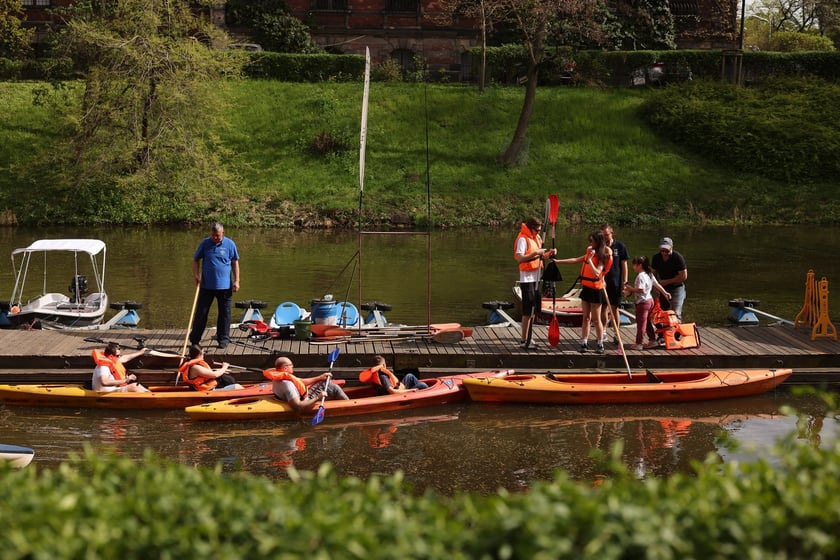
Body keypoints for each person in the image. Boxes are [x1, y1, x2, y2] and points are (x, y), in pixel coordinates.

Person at [553, 230, 613, 354]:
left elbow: (597, 272)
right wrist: (559, 262)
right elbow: (575, 260)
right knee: (586, 317)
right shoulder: (589, 252)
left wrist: (590, 260)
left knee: (596, 319)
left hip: (596, 290)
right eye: (590, 241)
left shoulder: (602, 256)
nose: (590, 243)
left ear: (598, 241)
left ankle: (600, 343)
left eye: (592, 241)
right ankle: (584, 342)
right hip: (587, 289)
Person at [190, 221, 240, 349]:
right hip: (206, 286)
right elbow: (196, 260)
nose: (215, 238)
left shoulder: (230, 244)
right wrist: (196, 275)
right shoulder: (205, 243)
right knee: (201, 313)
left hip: (225, 287)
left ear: (222, 233)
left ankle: (223, 339)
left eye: (217, 235)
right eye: (213, 235)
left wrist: (237, 280)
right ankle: (195, 339)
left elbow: (235, 262)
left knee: (225, 313)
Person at [514, 217, 555, 349]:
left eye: (539, 230)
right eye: (536, 230)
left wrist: (548, 254)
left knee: (534, 311)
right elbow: (520, 258)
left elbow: (540, 257)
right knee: (527, 311)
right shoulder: (522, 239)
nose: (538, 232)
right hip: (527, 279)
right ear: (530, 227)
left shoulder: (536, 238)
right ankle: (524, 339)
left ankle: (529, 338)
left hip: (537, 277)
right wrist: (536, 253)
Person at [264, 356, 349, 413]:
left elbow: (300, 381)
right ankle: (350, 404)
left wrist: (319, 377)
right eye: (291, 365)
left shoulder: (278, 377)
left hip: (301, 395)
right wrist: (318, 397)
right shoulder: (287, 385)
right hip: (306, 401)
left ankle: (338, 400)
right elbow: (298, 407)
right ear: (285, 368)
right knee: (333, 387)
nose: (293, 366)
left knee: (324, 382)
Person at [623, 256, 671, 350]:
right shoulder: (649, 274)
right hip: (650, 301)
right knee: (647, 321)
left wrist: (630, 289)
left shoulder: (640, 276)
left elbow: (642, 290)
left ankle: (639, 343)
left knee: (641, 324)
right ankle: (652, 340)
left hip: (643, 303)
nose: (633, 267)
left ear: (639, 265)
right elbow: (657, 285)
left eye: (634, 265)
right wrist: (665, 293)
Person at [599, 224, 629, 345]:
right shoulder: (600, 246)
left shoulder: (620, 246)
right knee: (603, 307)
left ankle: (617, 333)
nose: (605, 237)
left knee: (615, 308)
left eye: (606, 235)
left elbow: (624, 264)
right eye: (603, 235)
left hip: (616, 281)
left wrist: (625, 281)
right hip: (602, 281)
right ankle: (604, 331)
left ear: (612, 233)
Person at [651, 236, 688, 321]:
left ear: (671, 247)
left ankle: (676, 332)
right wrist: (655, 287)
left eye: (666, 250)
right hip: (662, 288)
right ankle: (664, 333)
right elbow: (652, 274)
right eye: (662, 250)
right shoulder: (656, 258)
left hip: (677, 288)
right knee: (663, 312)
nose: (664, 252)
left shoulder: (677, 258)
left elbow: (684, 276)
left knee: (676, 312)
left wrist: (667, 281)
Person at [178, 344, 243, 390]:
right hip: (207, 391)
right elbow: (214, 375)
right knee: (237, 387)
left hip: (208, 387)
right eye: (204, 353)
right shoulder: (195, 367)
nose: (204, 355)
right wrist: (224, 367)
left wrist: (220, 370)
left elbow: (207, 372)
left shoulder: (194, 365)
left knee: (226, 378)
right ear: (200, 354)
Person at [358, 355, 429, 395]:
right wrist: (411, 391)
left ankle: (418, 393)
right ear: (384, 365)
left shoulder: (374, 373)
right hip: (397, 393)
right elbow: (392, 392)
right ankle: (424, 395)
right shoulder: (383, 376)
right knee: (423, 385)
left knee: (409, 376)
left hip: (398, 387)